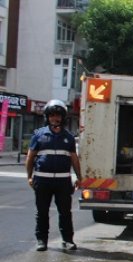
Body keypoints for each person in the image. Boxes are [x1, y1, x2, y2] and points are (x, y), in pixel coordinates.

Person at [26, 99, 82, 252]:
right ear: (47, 117)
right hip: (42, 181)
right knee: (42, 212)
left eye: (58, 116)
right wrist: (29, 177)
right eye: (51, 116)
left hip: (63, 182)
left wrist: (79, 177)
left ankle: (68, 240)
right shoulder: (38, 135)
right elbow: (30, 158)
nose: (55, 119)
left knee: (65, 212)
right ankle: (42, 240)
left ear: (63, 117)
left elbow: (74, 159)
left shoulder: (69, 137)